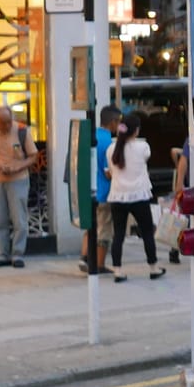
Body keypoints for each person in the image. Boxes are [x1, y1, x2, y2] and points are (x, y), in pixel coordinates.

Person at [105, 111, 165, 282]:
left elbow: (110, 170)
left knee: (118, 235)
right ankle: (153, 268)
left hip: (117, 196)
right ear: (136, 130)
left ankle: (118, 271)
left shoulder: (111, 149)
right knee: (147, 232)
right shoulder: (143, 147)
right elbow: (146, 157)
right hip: (139, 195)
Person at [0, 104, 37, 268]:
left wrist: (19, 166)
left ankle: (17, 254)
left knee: (19, 219)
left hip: (18, 180)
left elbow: (33, 156)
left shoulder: (22, 131)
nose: (7, 126)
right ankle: (1, 255)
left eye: (9, 122)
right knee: (0, 219)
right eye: (3, 123)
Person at [81, 104, 121, 274]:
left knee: (91, 226)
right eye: (119, 122)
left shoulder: (93, 136)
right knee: (104, 229)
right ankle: (99, 264)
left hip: (90, 191)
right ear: (112, 122)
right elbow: (108, 173)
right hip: (104, 192)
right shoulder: (108, 143)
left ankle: (84, 256)